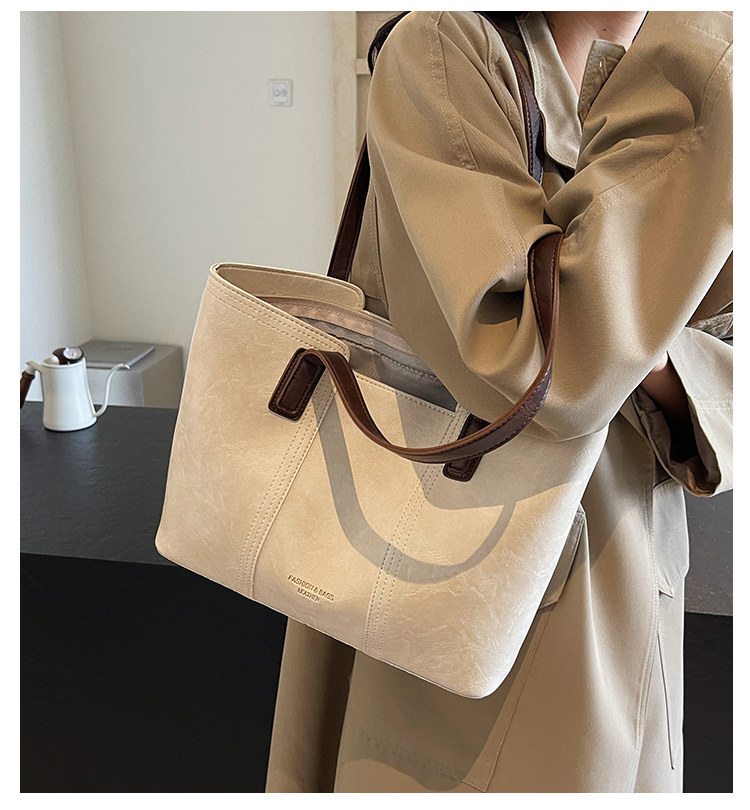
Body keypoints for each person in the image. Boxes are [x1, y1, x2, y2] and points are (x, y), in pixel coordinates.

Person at [264, 10, 733, 793]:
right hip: (460, 566)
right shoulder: (446, 49)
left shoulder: (697, 63)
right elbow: (541, 364)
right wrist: (702, 73)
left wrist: (638, 349)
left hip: (631, 571)